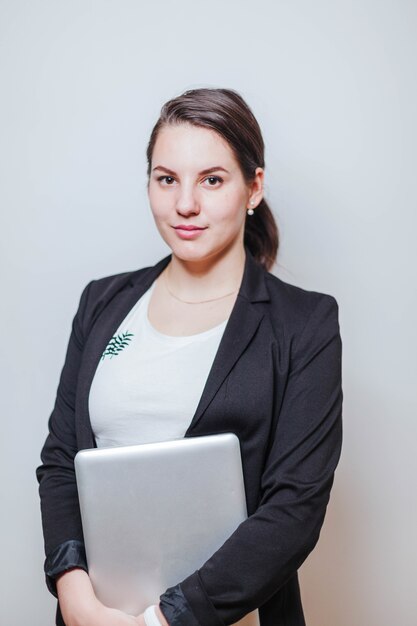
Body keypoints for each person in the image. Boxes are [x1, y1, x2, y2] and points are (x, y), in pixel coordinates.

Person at [36, 87, 343, 626]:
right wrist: (76, 598)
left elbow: (294, 509)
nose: (185, 204)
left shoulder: (303, 324)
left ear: (254, 188)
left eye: (212, 179)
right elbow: (61, 462)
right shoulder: (103, 303)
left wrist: (165, 619)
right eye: (166, 178)